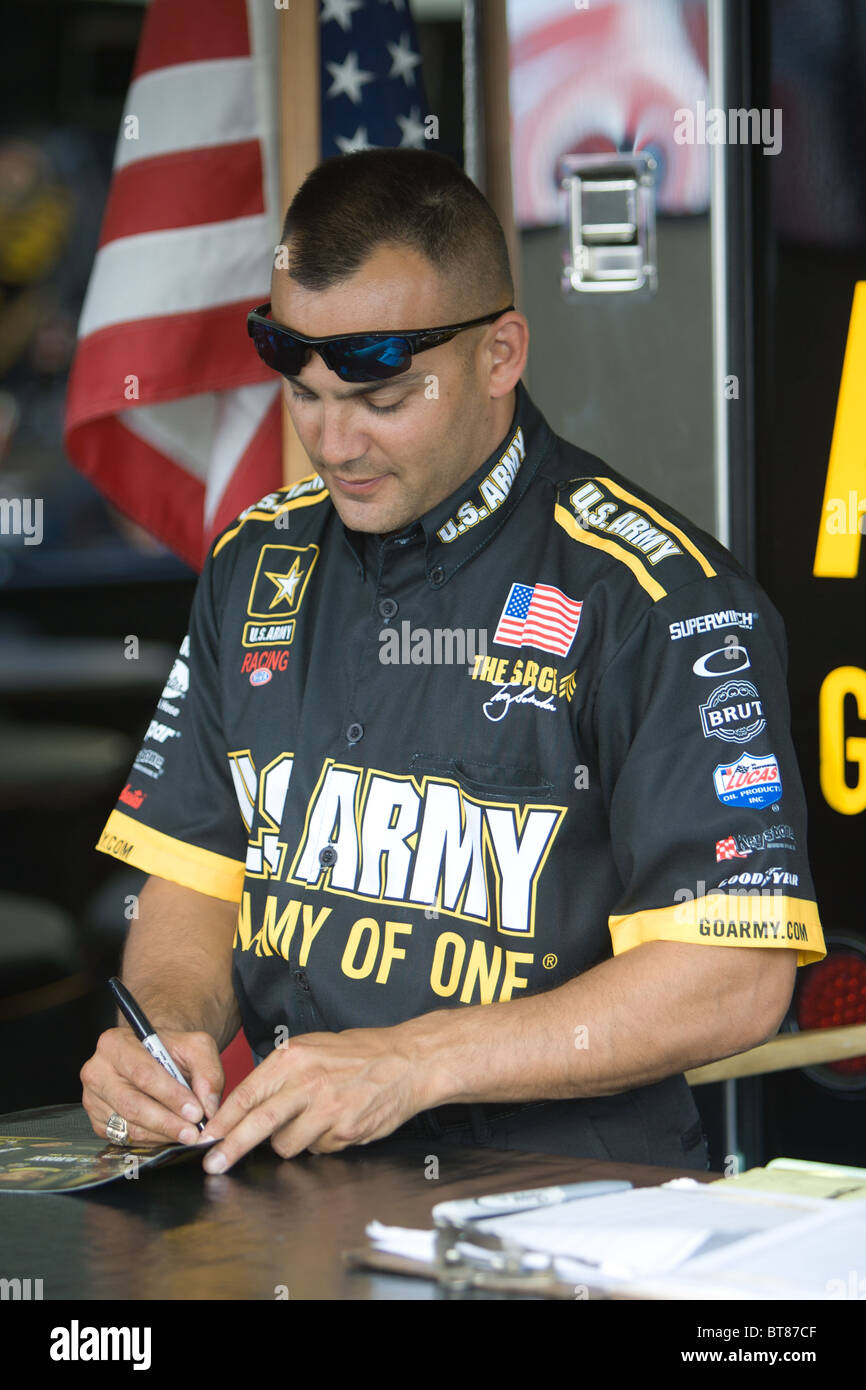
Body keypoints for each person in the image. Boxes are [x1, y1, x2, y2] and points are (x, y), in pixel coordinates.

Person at [82, 148, 825, 1174]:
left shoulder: (658, 599)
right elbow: (196, 875)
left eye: (380, 399)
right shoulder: (255, 564)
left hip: (575, 1213)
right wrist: (161, 1038)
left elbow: (734, 973)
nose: (332, 440)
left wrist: (414, 1060)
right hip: (296, 1200)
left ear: (500, 354)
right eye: (301, 391)